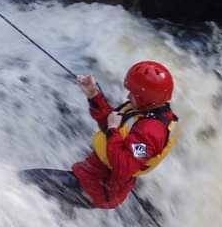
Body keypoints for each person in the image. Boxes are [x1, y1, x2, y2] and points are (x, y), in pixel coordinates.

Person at [21, 60, 179, 210]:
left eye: (133, 93)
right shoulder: (141, 109)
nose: (128, 97)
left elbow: (125, 166)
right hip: (92, 176)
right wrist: (93, 95)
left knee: (25, 180)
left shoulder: (152, 132)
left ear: (146, 98)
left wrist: (112, 129)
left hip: (98, 188)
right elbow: (111, 121)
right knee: (55, 200)